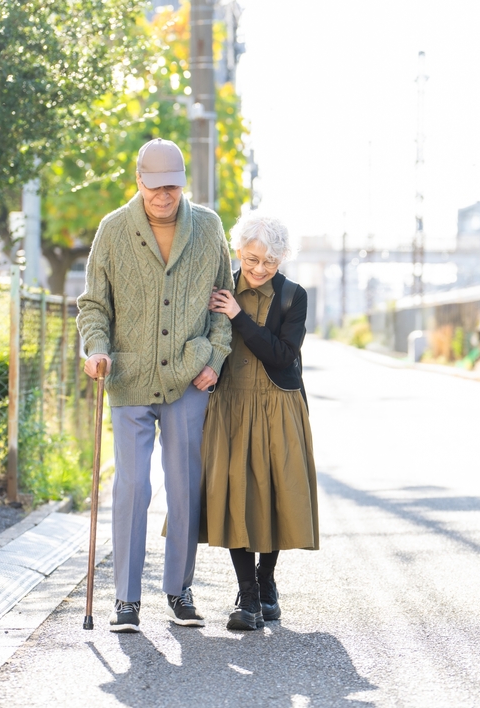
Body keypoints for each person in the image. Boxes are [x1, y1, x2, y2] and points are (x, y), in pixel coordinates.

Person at [77, 138, 235, 633]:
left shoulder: (207, 227)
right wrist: (96, 349)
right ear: (139, 181)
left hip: (187, 377)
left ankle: (179, 589)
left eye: (172, 186)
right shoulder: (113, 229)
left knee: (185, 487)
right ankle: (126, 600)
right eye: (154, 186)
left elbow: (224, 304)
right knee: (131, 486)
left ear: (182, 183)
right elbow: (93, 305)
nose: (164, 196)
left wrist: (217, 357)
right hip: (128, 377)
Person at [202, 213, 319, 630]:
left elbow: (282, 354)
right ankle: (247, 595)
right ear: (238, 251)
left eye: (269, 262)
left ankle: (267, 583)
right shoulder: (218, 290)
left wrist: (239, 317)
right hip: (230, 404)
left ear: (282, 259)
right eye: (252, 259)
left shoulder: (293, 296)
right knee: (237, 496)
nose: (258, 269)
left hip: (278, 405)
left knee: (274, 495)